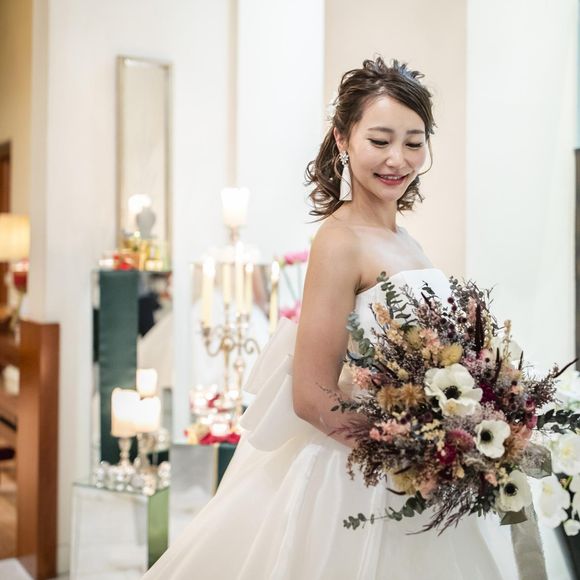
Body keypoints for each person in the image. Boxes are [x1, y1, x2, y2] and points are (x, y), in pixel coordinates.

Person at [143, 56, 547, 580]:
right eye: (379, 140)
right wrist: (413, 452)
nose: (397, 159)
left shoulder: (406, 240)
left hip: (423, 472)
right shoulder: (338, 240)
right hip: (362, 477)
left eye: (414, 142)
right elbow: (311, 394)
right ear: (342, 139)